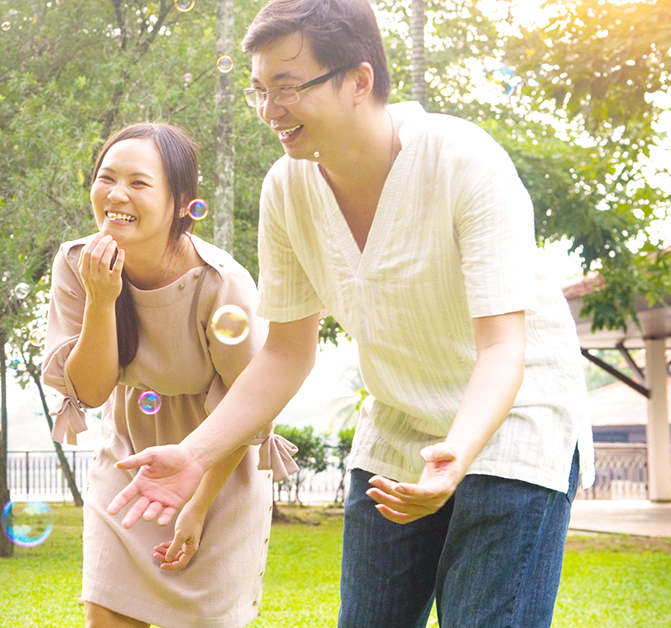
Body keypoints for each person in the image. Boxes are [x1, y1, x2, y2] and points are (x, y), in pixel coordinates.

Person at [107, 1, 594, 627]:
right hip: (397, 425)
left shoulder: (465, 160)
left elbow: (505, 349)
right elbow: (285, 353)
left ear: (359, 80)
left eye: (287, 88)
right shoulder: (287, 188)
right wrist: (196, 454)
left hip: (513, 423)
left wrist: (456, 453)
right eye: (259, 91)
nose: (269, 110)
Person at [42, 122, 298, 628]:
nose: (116, 194)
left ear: (183, 203)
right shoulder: (78, 264)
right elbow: (92, 391)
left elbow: (247, 406)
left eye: (139, 183)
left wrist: (197, 506)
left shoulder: (220, 283)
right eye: (105, 178)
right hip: (130, 467)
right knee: (106, 615)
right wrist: (101, 297)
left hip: (219, 466)